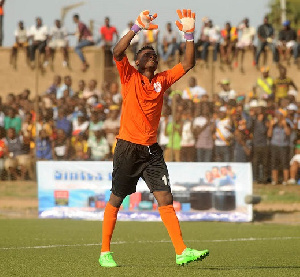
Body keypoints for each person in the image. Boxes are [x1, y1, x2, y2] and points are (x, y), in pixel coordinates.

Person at [99, 9, 209, 268]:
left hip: (151, 151)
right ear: (137, 62)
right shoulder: (129, 76)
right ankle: (105, 252)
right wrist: (137, 27)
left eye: (155, 55)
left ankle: (181, 251)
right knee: (117, 198)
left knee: (165, 198)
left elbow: (189, 63)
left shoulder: (162, 80)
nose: (152, 56)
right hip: (128, 147)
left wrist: (190, 35)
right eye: (146, 54)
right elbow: (116, 52)